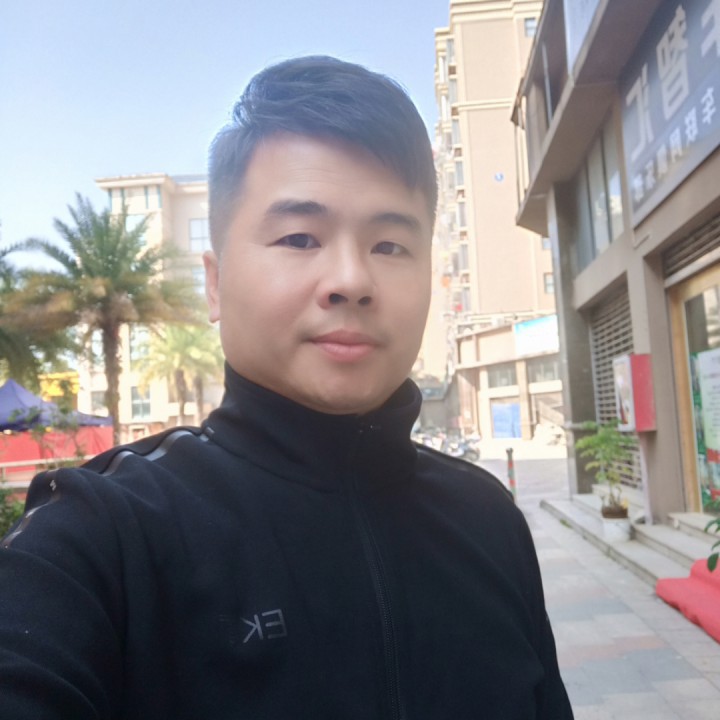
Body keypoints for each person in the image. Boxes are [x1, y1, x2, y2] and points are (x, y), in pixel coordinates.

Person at [0, 56, 573, 719]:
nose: (351, 280)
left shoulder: (488, 520)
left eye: (390, 245)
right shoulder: (103, 537)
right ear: (215, 283)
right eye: (300, 238)